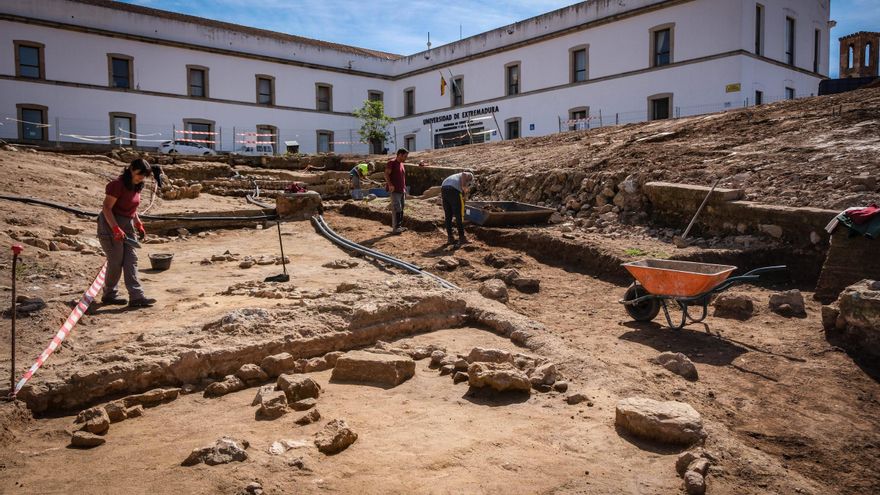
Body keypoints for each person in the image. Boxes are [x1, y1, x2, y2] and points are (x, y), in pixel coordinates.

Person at [97, 158, 156, 308]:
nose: (141, 178)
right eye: (139, 174)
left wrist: (138, 223)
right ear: (131, 169)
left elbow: (132, 207)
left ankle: (137, 297)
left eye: (144, 176)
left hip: (128, 225)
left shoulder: (137, 185)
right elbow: (107, 208)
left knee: (131, 260)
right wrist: (116, 228)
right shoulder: (117, 185)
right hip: (111, 224)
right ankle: (109, 295)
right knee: (116, 262)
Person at [441, 171, 474, 247]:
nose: (468, 185)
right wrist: (464, 188)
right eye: (469, 184)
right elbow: (464, 174)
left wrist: (463, 193)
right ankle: (462, 238)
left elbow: (462, 191)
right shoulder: (468, 175)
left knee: (448, 215)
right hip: (453, 190)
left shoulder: (455, 177)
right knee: (459, 214)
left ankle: (450, 238)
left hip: (444, 188)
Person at [384, 148, 408, 234]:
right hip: (395, 190)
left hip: (402, 190)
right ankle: (395, 228)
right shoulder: (392, 163)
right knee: (396, 208)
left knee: (401, 208)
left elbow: (402, 178)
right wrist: (390, 184)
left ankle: (399, 226)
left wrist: (405, 189)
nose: (406, 158)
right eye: (405, 156)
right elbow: (386, 174)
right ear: (400, 155)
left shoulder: (401, 164)